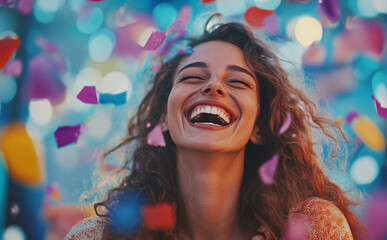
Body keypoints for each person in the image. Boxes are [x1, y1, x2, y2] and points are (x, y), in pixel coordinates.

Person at [66, 16, 363, 240]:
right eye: (193, 77)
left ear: (259, 127)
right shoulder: (96, 236)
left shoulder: (313, 229)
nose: (213, 86)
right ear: (164, 120)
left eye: (237, 81)